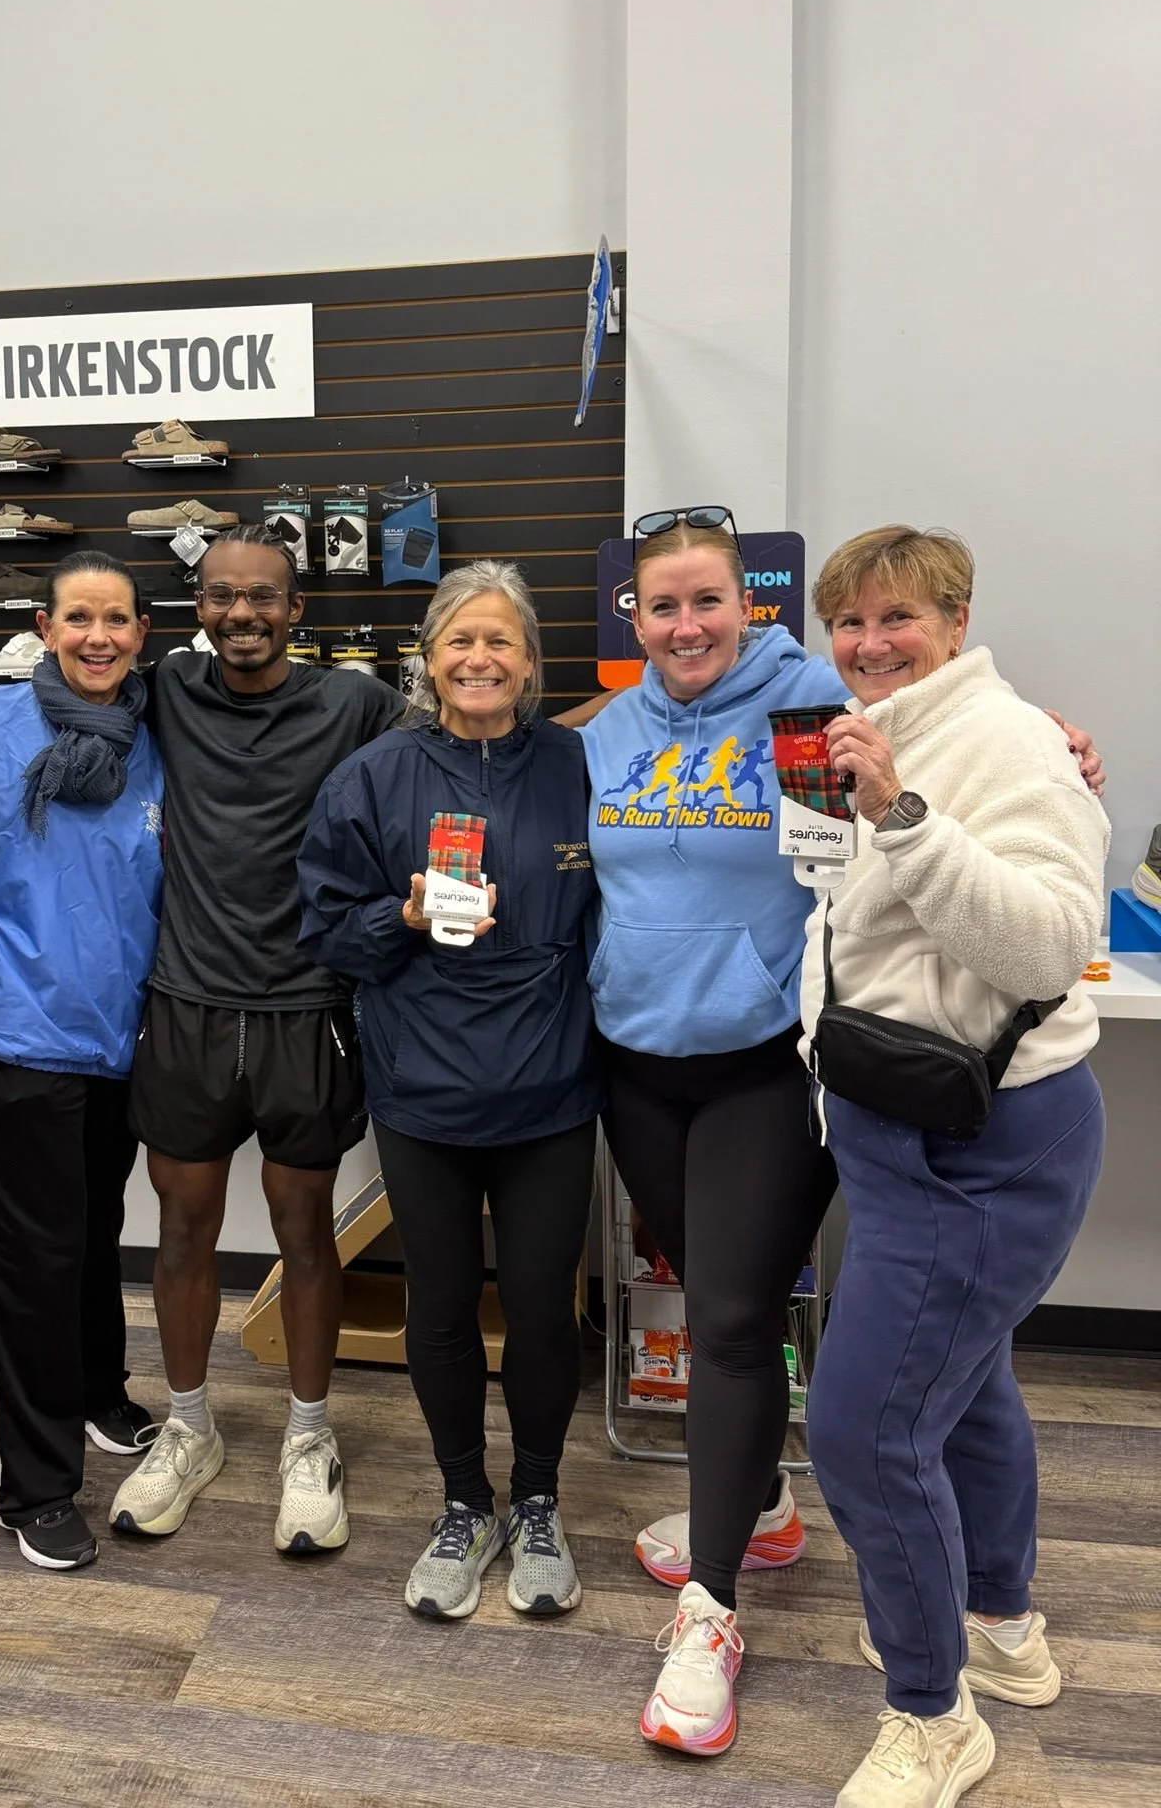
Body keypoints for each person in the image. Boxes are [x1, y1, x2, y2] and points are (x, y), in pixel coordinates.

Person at [575, 506, 1105, 1759]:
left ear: (751, 607)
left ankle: (723, 1606)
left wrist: (1059, 747)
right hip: (653, 1064)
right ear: (633, 618)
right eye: (663, 605)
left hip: (781, 1068)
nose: (688, 623)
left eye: (711, 599)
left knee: (757, 1339)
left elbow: (998, 825)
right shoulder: (608, 728)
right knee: (728, 1303)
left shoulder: (820, 699)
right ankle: (764, 1509)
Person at [800, 526, 1106, 1808]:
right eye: (849, 622)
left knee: (864, 1432)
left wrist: (902, 818)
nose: (869, 643)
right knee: (965, 1387)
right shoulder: (869, 727)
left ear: (958, 617)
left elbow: (1048, 943)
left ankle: (932, 1713)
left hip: (981, 1143)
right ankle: (1002, 1620)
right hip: (891, 1124)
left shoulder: (1007, 741)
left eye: (897, 619)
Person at [297, 560, 600, 1620]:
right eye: (459, 640)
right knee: (438, 1304)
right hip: (422, 1089)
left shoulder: (578, 762)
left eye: (502, 641)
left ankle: (540, 1495)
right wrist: (404, 919)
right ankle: (465, 1500)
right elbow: (325, 927)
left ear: (530, 661)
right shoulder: (374, 775)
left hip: (552, 1091)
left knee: (543, 1307)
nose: (480, 658)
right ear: (427, 659)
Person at [112, 524, 403, 1555]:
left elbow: (473, 733)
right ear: (198, 607)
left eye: (263, 597)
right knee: (183, 1228)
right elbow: (50, 697)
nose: (243, 612)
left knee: (305, 1230)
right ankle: (189, 1427)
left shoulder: (355, 702)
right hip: (185, 1007)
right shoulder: (164, 689)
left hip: (306, 1009)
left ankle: (309, 1437)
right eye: (223, 596)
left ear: (297, 611)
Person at [0, 550, 164, 1572]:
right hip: (13, 1034)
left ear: (142, 632)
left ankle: (97, 1393)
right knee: (33, 1264)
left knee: (95, 1230)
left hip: (118, 1037)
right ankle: (30, 1484)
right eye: (78, 617)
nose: (97, 637)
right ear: (44, 623)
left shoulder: (158, 731)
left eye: (116, 619)